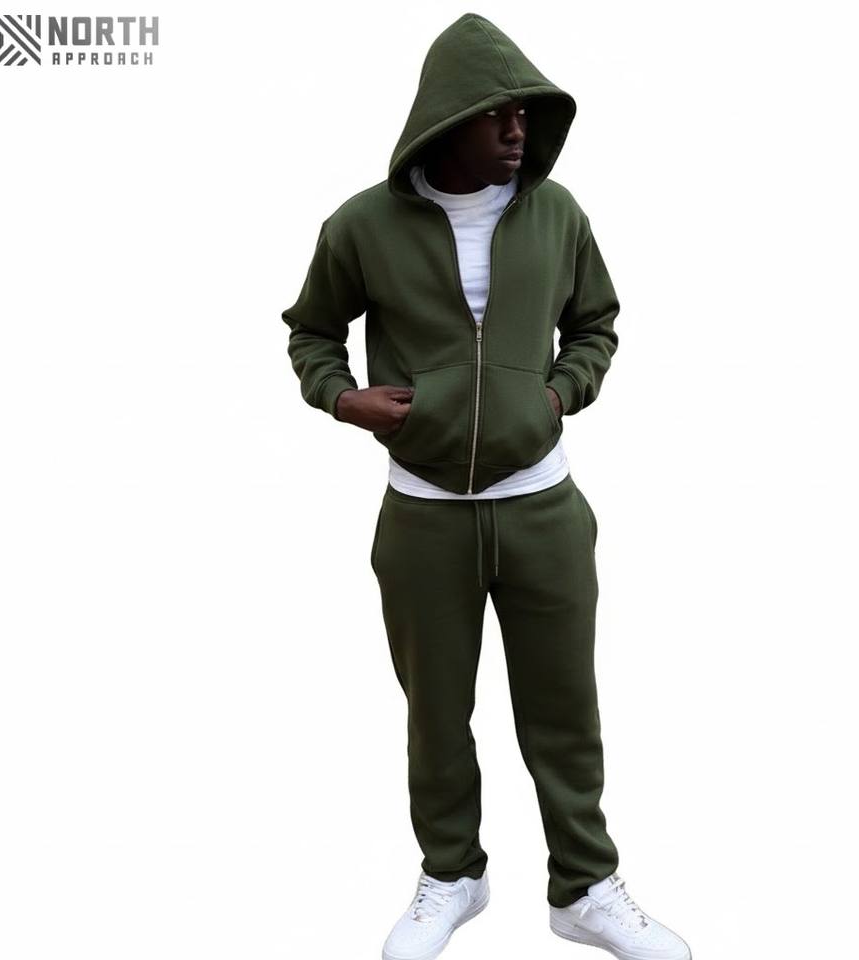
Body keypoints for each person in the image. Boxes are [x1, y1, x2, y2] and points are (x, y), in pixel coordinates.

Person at [281, 12, 691, 960]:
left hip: (545, 507)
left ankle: (584, 887)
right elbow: (311, 331)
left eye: (526, 114)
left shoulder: (558, 214)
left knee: (564, 711)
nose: (517, 130)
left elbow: (597, 324)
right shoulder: (362, 225)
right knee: (435, 714)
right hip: (424, 518)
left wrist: (557, 394)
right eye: (498, 113)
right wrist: (341, 397)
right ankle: (452, 874)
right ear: (446, 119)